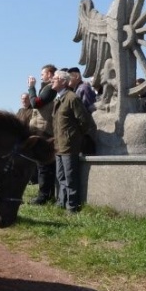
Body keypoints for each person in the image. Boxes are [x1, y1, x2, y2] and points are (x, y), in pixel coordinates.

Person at [50, 68, 94, 213]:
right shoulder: (58, 99)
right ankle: (62, 202)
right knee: (60, 176)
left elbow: (84, 120)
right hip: (58, 145)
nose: (51, 80)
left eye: (55, 78)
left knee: (70, 177)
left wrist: (74, 137)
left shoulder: (72, 98)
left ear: (63, 81)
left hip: (69, 145)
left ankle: (72, 206)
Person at [27, 64, 57, 205]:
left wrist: (31, 87)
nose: (40, 77)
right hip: (41, 130)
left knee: (44, 166)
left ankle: (44, 196)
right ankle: (45, 194)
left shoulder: (50, 89)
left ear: (50, 74)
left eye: (43, 74)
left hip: (44, 131)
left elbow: (36, 103)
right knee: (43, 166)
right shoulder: (46, 88)